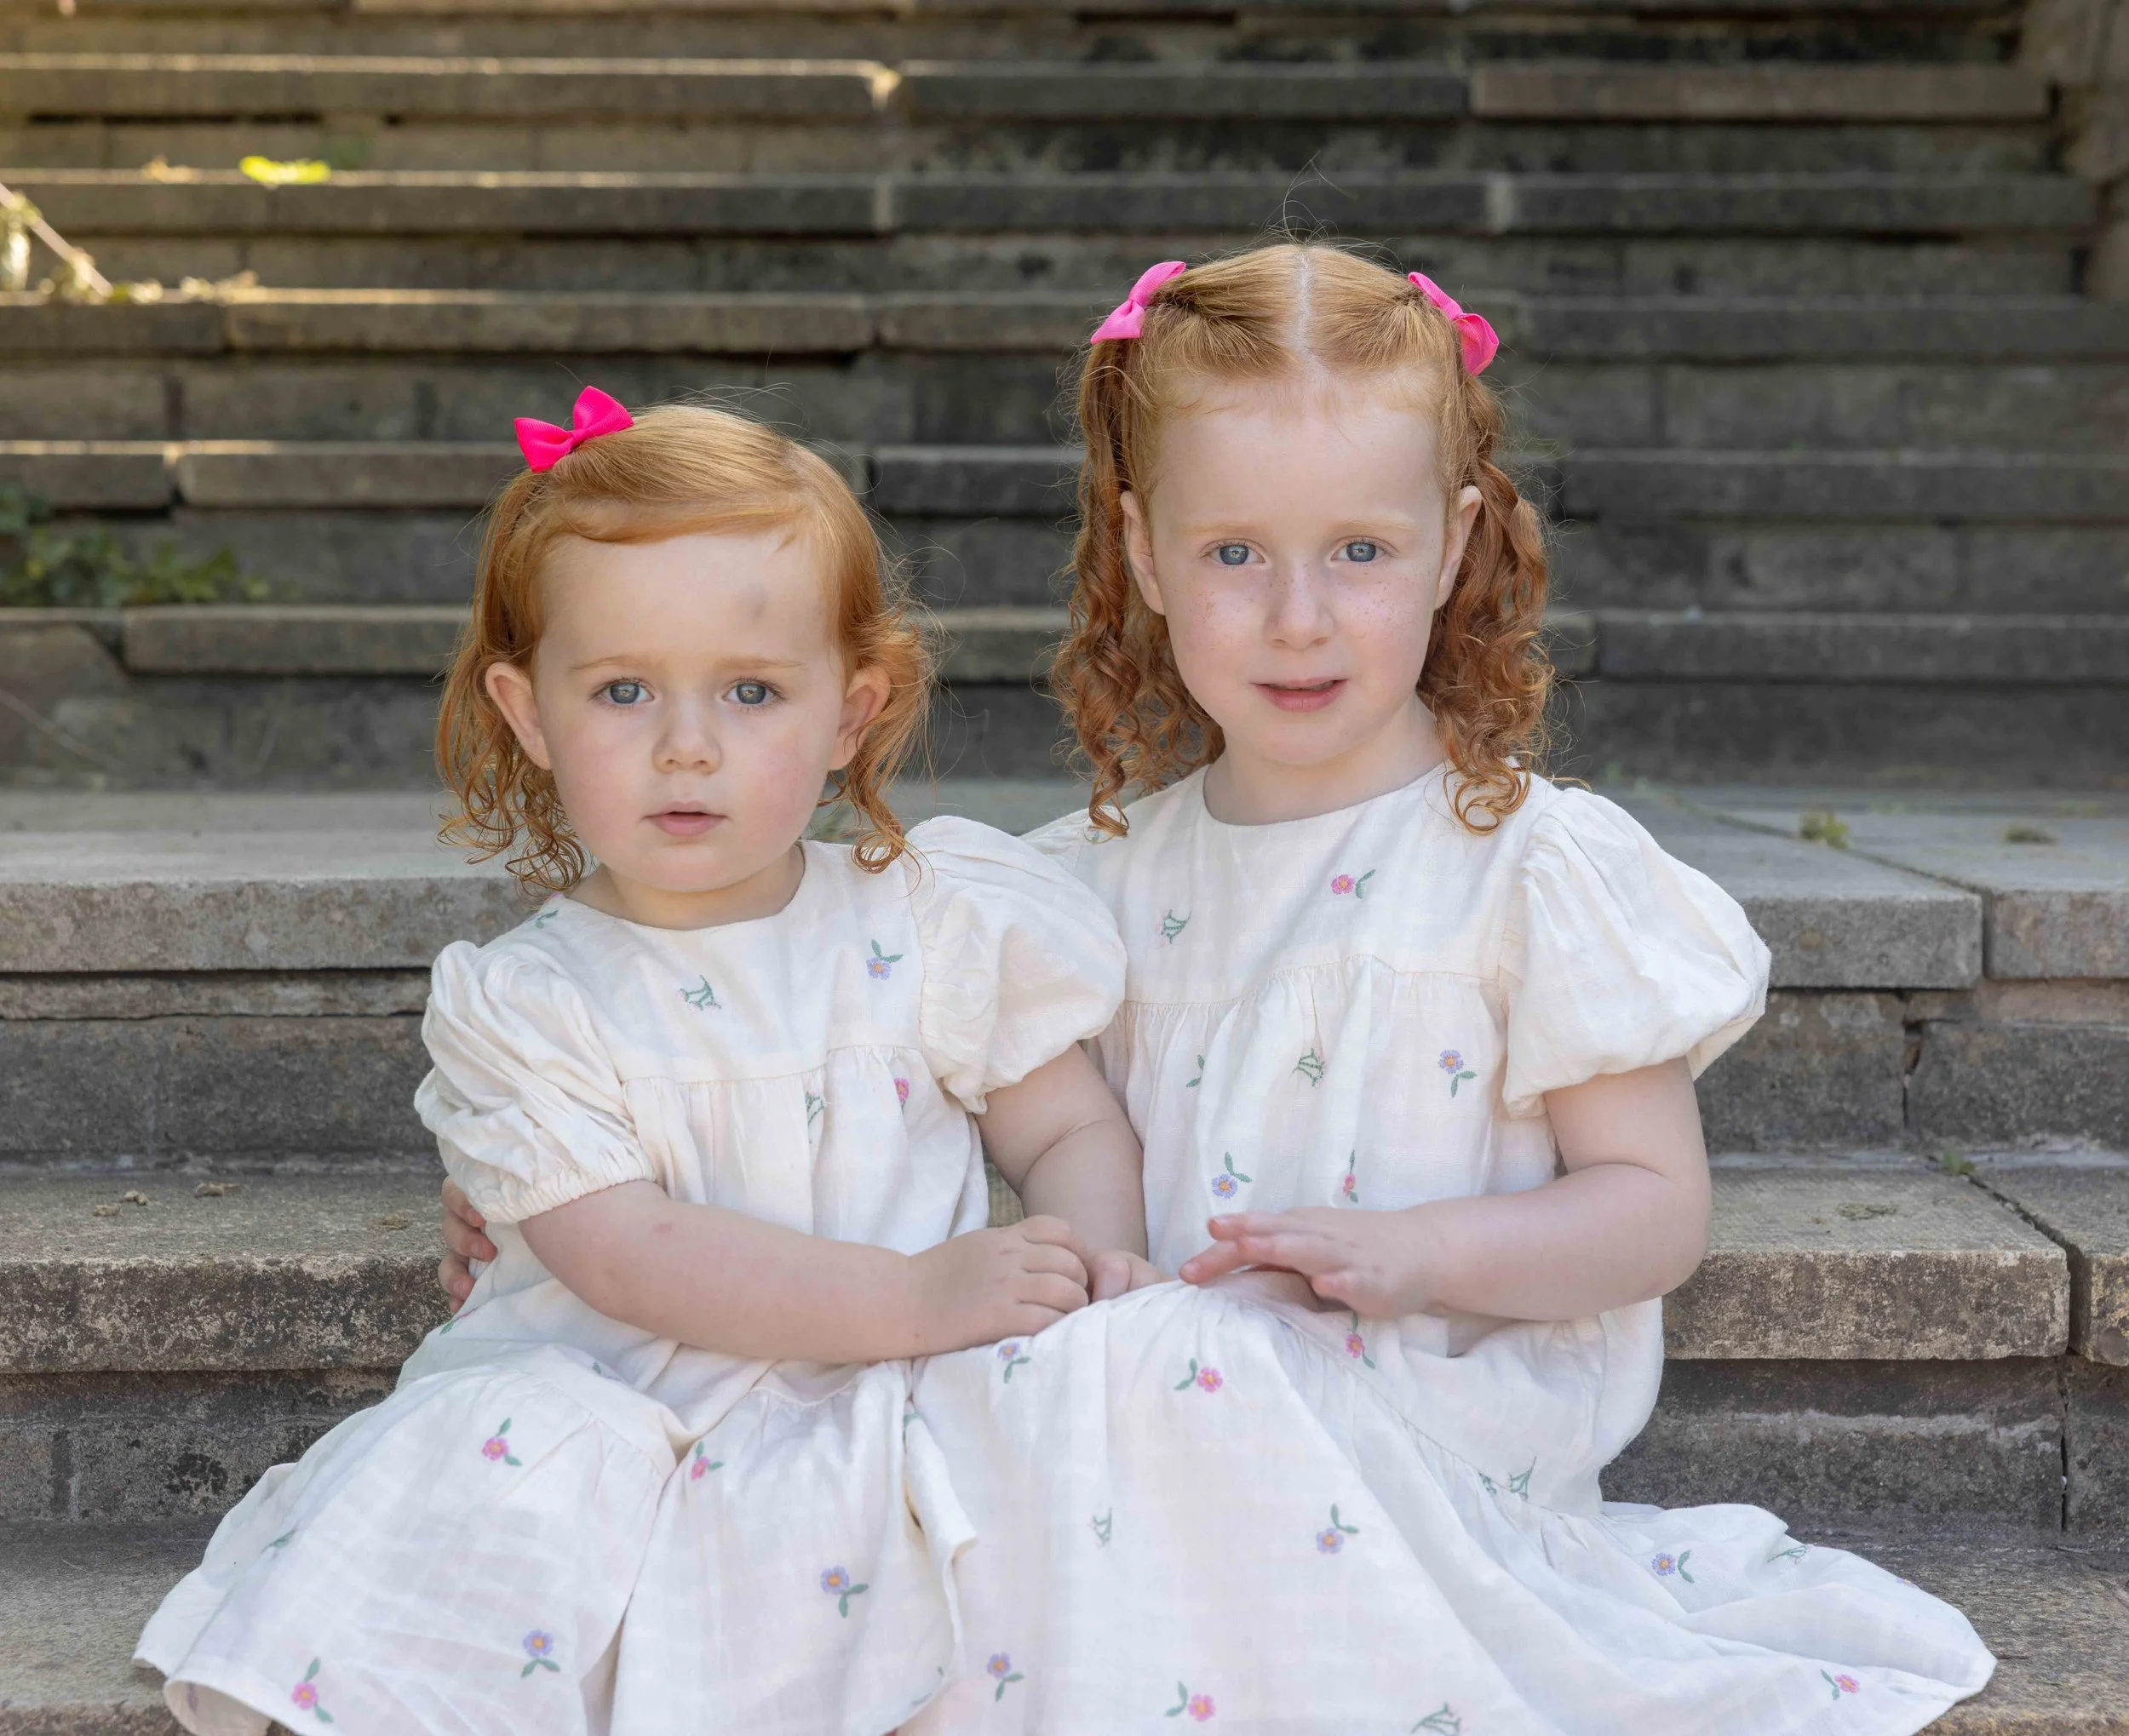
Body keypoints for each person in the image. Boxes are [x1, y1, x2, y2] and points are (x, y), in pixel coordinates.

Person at [444, 248, 1998, 1733]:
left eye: (1362, 552)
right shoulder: (1083, 888)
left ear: (1453, 546)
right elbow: (864, 1080)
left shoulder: (1530, 873)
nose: (1298, 613)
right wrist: (561, 1195)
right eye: (1234, 551)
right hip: (1132, 1432)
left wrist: (1418, 1251)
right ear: (1141, 554)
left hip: (1414, 1450)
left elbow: (1654, 1210)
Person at [135, 392, 1159, 1736]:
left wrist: (1083, 1270)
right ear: (530, 711)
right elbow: (631, 1253)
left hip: (887, 1399)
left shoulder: (930, 918)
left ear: (852, 710)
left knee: (1070, 1433)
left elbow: (1067, 1125)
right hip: (628, 1404)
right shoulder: (529, 1001)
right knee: (512, 1461)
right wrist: (916, 1291)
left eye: (751, 690)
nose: (688, 743)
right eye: (623, 689)